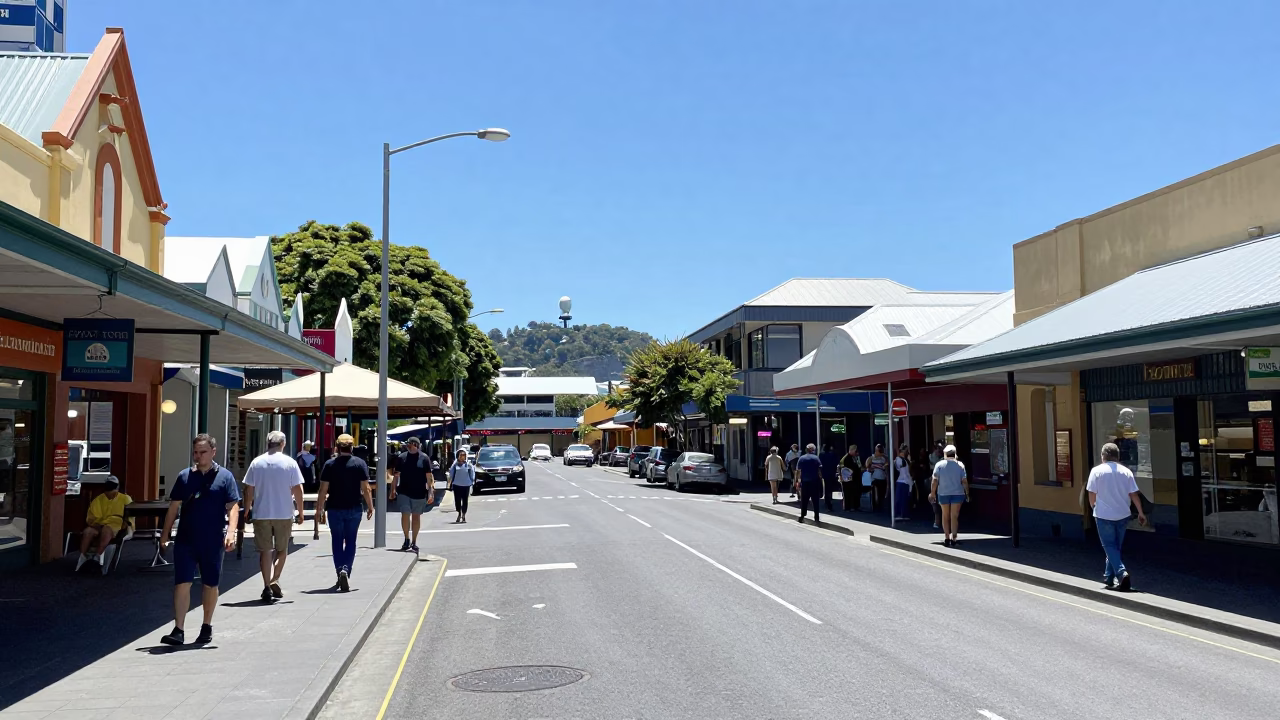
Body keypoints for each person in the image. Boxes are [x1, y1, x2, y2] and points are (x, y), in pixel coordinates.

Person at [159, 434, 240, 646]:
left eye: (202, 452)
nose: (198, 456)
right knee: (182, 583)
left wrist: (231, 533)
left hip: (212, 540)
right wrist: (164, 535)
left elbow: (233, 507)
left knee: (210, 584)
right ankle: (179, 629)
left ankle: (206, 626)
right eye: (195, 452)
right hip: (186, 539)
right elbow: (173, 507)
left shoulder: (225, 477)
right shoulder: (184, 476)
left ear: (213, 452)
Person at [243, 430, 305, 603]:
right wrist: (300, 512)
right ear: (283, 444)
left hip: (261, 513)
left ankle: (266, 586)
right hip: (283, 513)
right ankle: (275, 578)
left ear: (268, 443)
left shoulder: (257, 462)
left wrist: (247, 509)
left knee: (265, 551)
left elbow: (249, 489)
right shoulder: (290, 463)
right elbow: (297, 489)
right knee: (282, 549)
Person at [316, 433, 373, 592]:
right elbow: (366, 488)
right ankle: (346, 570)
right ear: (352, 447)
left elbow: (323, 490)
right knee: (351, 541)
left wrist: (319, 509)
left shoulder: (329, 464)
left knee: (336, 541)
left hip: (334, 508)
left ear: (337, 447)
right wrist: (370, 506)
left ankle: (339, 570)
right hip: (354, 508)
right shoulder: (360, 463)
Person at [1087, 442, 1147, 590]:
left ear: (1103, 456)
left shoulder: (1096, 471)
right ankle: (1108, 577)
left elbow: (1091, 494)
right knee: (1115, 547)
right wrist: (1140, 512)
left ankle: (1121, 573)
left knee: (1109, 546)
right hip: (1123, 514)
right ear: (1118, 456)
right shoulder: (1126, 472)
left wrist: (1093, 507)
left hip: (1103, 514)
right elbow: (1133, 494)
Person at [389, 437, 436, 552]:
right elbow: (396, 476)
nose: (408, 446)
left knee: (416, 517)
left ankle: (414, 541)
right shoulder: (402, 458)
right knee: (405, 514)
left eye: (410, 444)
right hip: (404, 492)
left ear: (416, 445)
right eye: (408, 444)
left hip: (419, 493)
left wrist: (431, 492)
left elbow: (429, 477)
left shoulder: (424, 458)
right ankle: (406, 539)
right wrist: (393, 490)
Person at [76, 476, 132, 571]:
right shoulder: (98, 500)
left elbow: (130, 516)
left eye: (112, 487)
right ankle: (82, 558)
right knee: (88, 531)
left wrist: (128, 526)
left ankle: (97, 558)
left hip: (115, 526)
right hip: (98, 524)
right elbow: (91, 519)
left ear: (117, 487)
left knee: (106, 530)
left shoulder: (125, 499)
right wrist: (97, 525)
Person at [929, 444, 968, 547]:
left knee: (945, 515)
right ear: (955, 454)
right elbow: (964, 481)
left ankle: (947, 537)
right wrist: (967, 493)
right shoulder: (960, 465)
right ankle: (954, 538)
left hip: (943, 493)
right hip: (958, 493)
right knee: (954, 516)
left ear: (945, 454)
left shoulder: (939, 465)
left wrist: (932, 493)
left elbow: (935, 480)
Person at [796, 443, 823, 524]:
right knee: (815, 500)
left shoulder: (801, 458)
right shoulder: (816, 458)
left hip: (805, 482)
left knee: (804, 500)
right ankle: (816, 517)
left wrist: (798, 481)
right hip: (814, 482)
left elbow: (798, 471)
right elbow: (819, 471)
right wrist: (821, 480)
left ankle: (802, 516)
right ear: (813, 450)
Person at [447, 448, 476, 524]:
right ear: (458, 456)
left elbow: (472, 474)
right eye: (461, 455)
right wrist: (450, 482)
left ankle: (463, 515)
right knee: (457, 501)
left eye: (464, 455)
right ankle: (459, 513)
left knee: (465, 501)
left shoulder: (468, 465)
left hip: (466, 485)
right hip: (457, 485)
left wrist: (471, 481)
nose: (463, 456)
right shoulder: (455, 465)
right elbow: (451, 475)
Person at [867, 444, 890, 512]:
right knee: (875, 492)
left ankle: (880, 506)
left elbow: (887, 466)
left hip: (882, 478)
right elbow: (867, 466)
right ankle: (875, 506)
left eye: (880, 450)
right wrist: (870, 469)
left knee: (881, 493)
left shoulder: (884, 458)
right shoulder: (871, 458)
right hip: (875, 478)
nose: (878, 452)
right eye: (877, 450)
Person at [839, 445, 862, 511]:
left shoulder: (854, 457)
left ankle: (855, 506)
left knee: (855, 492)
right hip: (848, 479)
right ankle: (848, 507)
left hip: (854, 478)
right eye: (855, 451)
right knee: (848, 493)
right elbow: (843, 468)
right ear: (852, 450)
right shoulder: (846, 458)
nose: (856, 453)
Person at [893, 444, 912, 521]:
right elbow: (900, 467)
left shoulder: (906, 460)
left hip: (906, 482)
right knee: (900, 499)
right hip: (901, 481)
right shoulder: (898, 460)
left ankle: (903, 514)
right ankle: (899, 514)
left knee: (904, 499)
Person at [818, 444, 839, 512]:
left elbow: (819, 464)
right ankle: (829, 499)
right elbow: (836, 463)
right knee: (830, 487)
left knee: (826, 487)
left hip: (824, 473)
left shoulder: (821, 454)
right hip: (831, 473)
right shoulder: (833, 454)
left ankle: (827, 500)